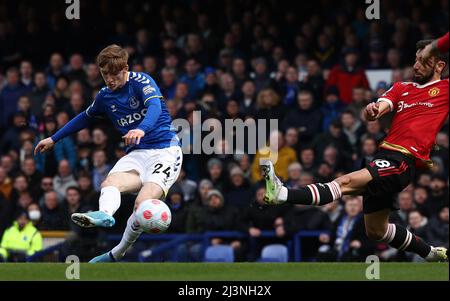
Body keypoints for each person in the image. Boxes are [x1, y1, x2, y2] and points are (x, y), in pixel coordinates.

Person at [261, 39, 449, 262]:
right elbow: (382, 106)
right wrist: (373, 111)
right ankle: (429, 253)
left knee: (344, 183)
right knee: (376, 231)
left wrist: (438, 43)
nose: (416, 65)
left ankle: (282, 194)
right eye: (415, 60)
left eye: (423, 60)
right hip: (384, 157)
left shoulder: (445, 89)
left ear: (439, 65)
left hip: (402, 162)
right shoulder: (402, 88)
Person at [34, 44, 182, 263]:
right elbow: (85, 117)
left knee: (142, 204)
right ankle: (105, 214)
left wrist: (141, 128)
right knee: (109, 183)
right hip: (138, 154)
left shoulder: (142, 82)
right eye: (105, 75)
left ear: (125, 68)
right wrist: (54, 138)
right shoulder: (104, 96)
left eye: (114, 74)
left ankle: (116, 253)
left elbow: (155, 109)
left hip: (165, 151)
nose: (110, 80)